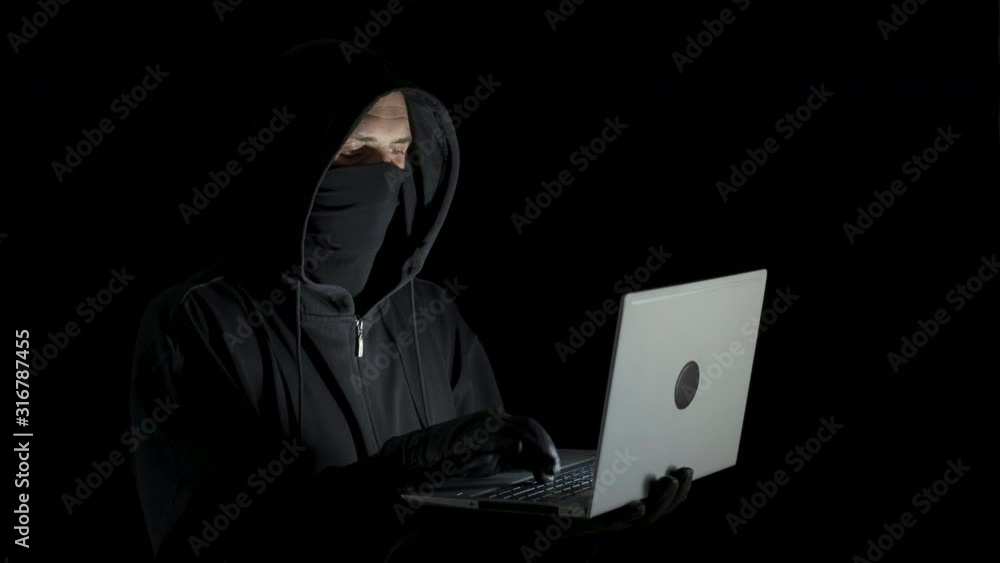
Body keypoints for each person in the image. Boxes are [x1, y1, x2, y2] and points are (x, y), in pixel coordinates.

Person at [130, 40, 691, 563]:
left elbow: (484, 503)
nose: (381, 174)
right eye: (354, 149)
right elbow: (213, 543)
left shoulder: (432, 315)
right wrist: (406, 467)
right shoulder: (199, 322)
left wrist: (569, 515)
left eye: (398, 151)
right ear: (290, 154)